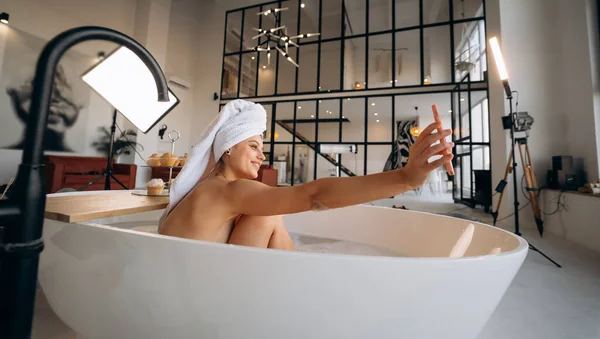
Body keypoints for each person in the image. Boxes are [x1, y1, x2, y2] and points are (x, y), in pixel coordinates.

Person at [159, 99, 454, 251]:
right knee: (268, 214)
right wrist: (405, 178)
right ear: (227, 148)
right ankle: (301, 268)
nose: (262, 155)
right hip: (200, 295)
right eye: (253, 145)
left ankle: (299, 264)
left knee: (265, 213)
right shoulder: (228, 190)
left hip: (187, 280)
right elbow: (313, 195)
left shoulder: (214, 189)